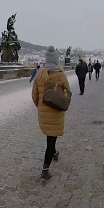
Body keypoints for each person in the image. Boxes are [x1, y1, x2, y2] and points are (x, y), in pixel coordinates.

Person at [32, 46, 71, 181]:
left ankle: (54, 152)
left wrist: (41, 107)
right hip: (57, 111)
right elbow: (68, 93)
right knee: (51, 140)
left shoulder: (39, 74)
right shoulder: (61, 74)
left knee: (50, 137)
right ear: (56, 60)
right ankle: (45, 170)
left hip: (43, 112)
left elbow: (34, 96)